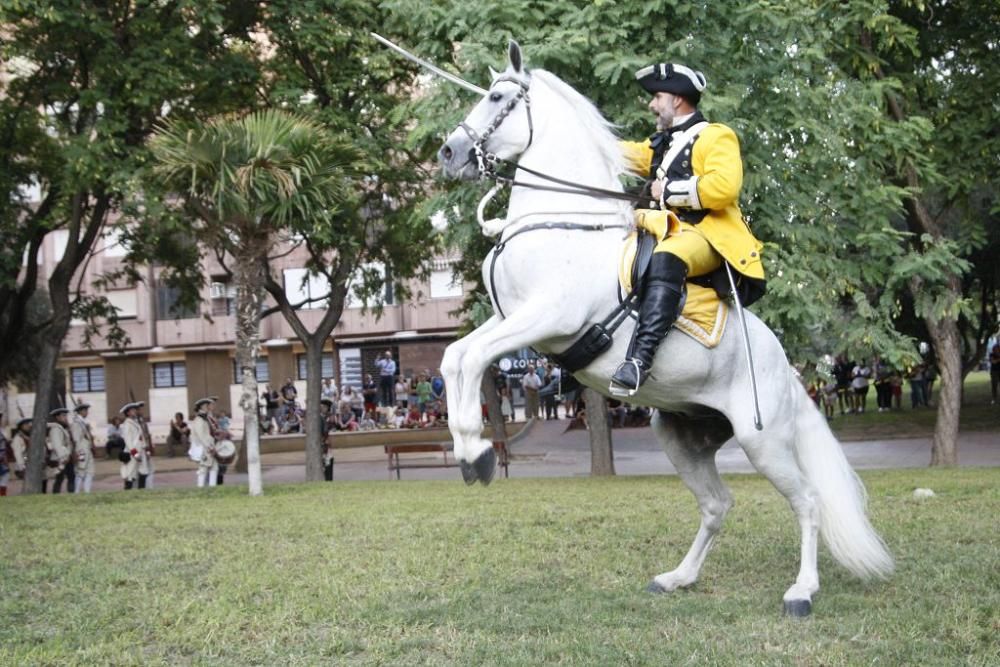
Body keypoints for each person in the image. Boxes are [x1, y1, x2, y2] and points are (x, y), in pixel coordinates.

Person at [611, 62, 766, 394]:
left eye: (657, 97)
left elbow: (725, 187)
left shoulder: (715, 135)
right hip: (667, 228)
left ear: (677, 99)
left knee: (668, 255)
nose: (652, 104)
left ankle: (640, 359)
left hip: (708, 234)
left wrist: (666, 192)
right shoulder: (660, 144)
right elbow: (623, 153)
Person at [119, 401, 151, 490]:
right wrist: (134, 453)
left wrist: (146, 450)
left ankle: (141, 490)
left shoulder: (136, 422)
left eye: (134, 410)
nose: (135, 411)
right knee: (130, 473)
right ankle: (128, 491)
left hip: (141, 450)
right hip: (133, 452)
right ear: (128, 413)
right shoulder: (127, 424)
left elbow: (142, 438)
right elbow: (128, 440)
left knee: (143, 471)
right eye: (132, 410)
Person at [190, 398, 218, 488]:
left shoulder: (205, 418)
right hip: (204, 448)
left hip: (209, 446)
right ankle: (200, 487)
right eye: (207, 405)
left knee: (214, 467)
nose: (208, 407)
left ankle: (212, 487)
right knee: (203, 468)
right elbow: (201, 436)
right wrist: (210, 447)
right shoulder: (199, 419)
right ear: (202, 407)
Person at [70, 402, 97, 494]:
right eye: (85, 410)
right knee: (80, 471)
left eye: (86, 410)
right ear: (80, 412)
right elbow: (76, 438)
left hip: (87, 449)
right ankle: (76, 492)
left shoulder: (83, 422)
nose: (87, 412)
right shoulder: (76, 423)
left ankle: (87, 492)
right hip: (81, 450)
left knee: (90, 471)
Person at [48, 407, 75, 494]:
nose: (65, 418)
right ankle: (56, 494)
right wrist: (63, 457)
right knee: (60, 478)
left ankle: (71, 493)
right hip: (61, 458)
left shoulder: (63, 428)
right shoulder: (56, 429)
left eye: (65, 416)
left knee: (71, 476)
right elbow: (57, 445)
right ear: (57, 417)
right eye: (63, 416)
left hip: (67, 456)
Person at [9, 417, 31, 490]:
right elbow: (18, 454)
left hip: (30, 464)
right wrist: (22, 467)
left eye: (28, 424)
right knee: (27, 484)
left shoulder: (29, 436)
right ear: (21, 426)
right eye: (26, 424)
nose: (28, 426)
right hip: (24, 465)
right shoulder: (17, 438)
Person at [320, 398, 335, 481]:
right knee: (326, 460)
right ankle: (327, 479)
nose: (324, 409)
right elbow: (324, 432)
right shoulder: (321, 418)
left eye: (325, 407)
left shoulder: (327, 418)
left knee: (329, 460)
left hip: (326, 443)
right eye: (323, 407)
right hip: (323, 442)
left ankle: (328, 479)